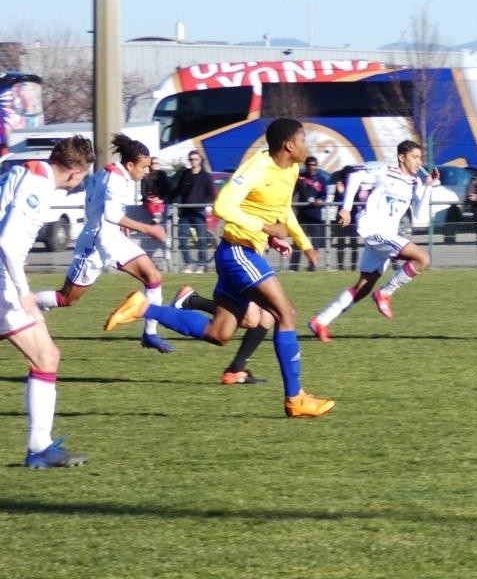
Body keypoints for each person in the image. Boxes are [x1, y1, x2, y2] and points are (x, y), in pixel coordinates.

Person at [105, 118, 334, 417]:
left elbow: (282, 210)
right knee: (286, 314)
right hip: (238, 252)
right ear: (289, 145)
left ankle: (143, 307)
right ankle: (295, 398)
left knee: (219, 333)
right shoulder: (256, 168)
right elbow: (223, 206)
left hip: (240, 252)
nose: (307, 146)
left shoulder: (290, 169)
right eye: (303, 140)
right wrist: (265, 228)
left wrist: (303, 243)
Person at [1, 135, 95, 467]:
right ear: (75, 172)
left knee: (47, 356)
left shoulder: (27, 171)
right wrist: (23, 292)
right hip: (3, 283)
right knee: (46, 357)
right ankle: (39, 449)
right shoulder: (38, 186)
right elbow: (7, 243)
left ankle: (39, 447)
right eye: (83, 176)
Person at [34, 134, 173, 353]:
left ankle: (150, 333)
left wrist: (117, 223)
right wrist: (149, 229)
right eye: (144, 167)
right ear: (130, 165)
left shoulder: (108, 174)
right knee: (66, 298)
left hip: (113, 239)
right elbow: (111, 214)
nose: (147, 171)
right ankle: (24, 304)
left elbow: (95, 203)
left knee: (153, 277)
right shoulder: (114, 179)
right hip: (96, 245)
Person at [306, 140, 440, 343]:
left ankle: (321, 321)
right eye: (414, 157)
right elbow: (355, 176)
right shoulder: (386, 171)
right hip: (374, 231)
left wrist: (428, 186)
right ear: (401, 157)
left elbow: (420, 216)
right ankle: (385, 293)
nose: (418, 162)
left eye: (420, 158)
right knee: (422, 258)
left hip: (386, 236)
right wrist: (346, 208)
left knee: (362, 288)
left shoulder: (415, 183)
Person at [171, 150, 216, 273]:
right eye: (191, 159)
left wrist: (202, 203)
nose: (193, 161)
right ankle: (188, 264)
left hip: (199, 212)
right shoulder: (185, 174)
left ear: (200, 160)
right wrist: (172, 201)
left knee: (201, 239)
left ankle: (202, 265)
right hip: (185, 213)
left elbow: (211, 194)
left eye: (195, 159)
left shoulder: (206, 176)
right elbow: (178, 191)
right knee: (182, 238)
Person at [289, 156, 327, 271]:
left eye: (314, 165)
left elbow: (324, 195)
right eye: (309, 165)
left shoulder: (321, 179)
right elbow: (293, 192)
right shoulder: (301, 177)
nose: (312, 167)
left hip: (315, 215)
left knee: (315, 243)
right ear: (306, 166)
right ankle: (294, 267)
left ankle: (312, 266)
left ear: (316, 166)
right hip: (302, 214)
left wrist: (320, 200)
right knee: (298, 241)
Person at [332, 165, 363, 271]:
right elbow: (336, 202)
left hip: (353, 218)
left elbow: (356, 200)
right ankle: (341, 266)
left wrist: (343, 193)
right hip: (341, 217)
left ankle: (353, 266)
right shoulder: (340, 185)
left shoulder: (356, 185)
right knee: (341, 242)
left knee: (354, 242)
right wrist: (340, 193)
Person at [141, 157, 171, 224]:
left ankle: (157, 218)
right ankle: (158, 217)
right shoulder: (145, 175)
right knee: (150, 205)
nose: (155, 165)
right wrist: (149, 199)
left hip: (160, 200)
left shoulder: (162, 174)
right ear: (150, 164)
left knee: (159, 205)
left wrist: (161, 199)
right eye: (153, 163)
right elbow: (143, 191)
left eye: (157, 163)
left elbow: (167, 189)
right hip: (149, 200)